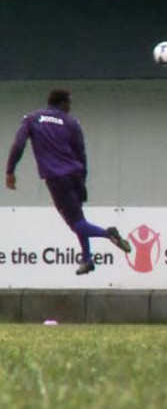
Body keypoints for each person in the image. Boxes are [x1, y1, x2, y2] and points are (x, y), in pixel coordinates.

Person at [5, 89, 131, 275]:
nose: (70, 107)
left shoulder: (32, 119)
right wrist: (83, 179)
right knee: (79, 219)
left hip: (57, 178)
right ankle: (87, 258)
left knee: (76, 224)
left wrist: (10, 170)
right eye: (69, 103)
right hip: (75, 175)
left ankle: (108, 234)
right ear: (62, 103)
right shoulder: (71, 122)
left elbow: (19, 144)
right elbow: (81, 153)